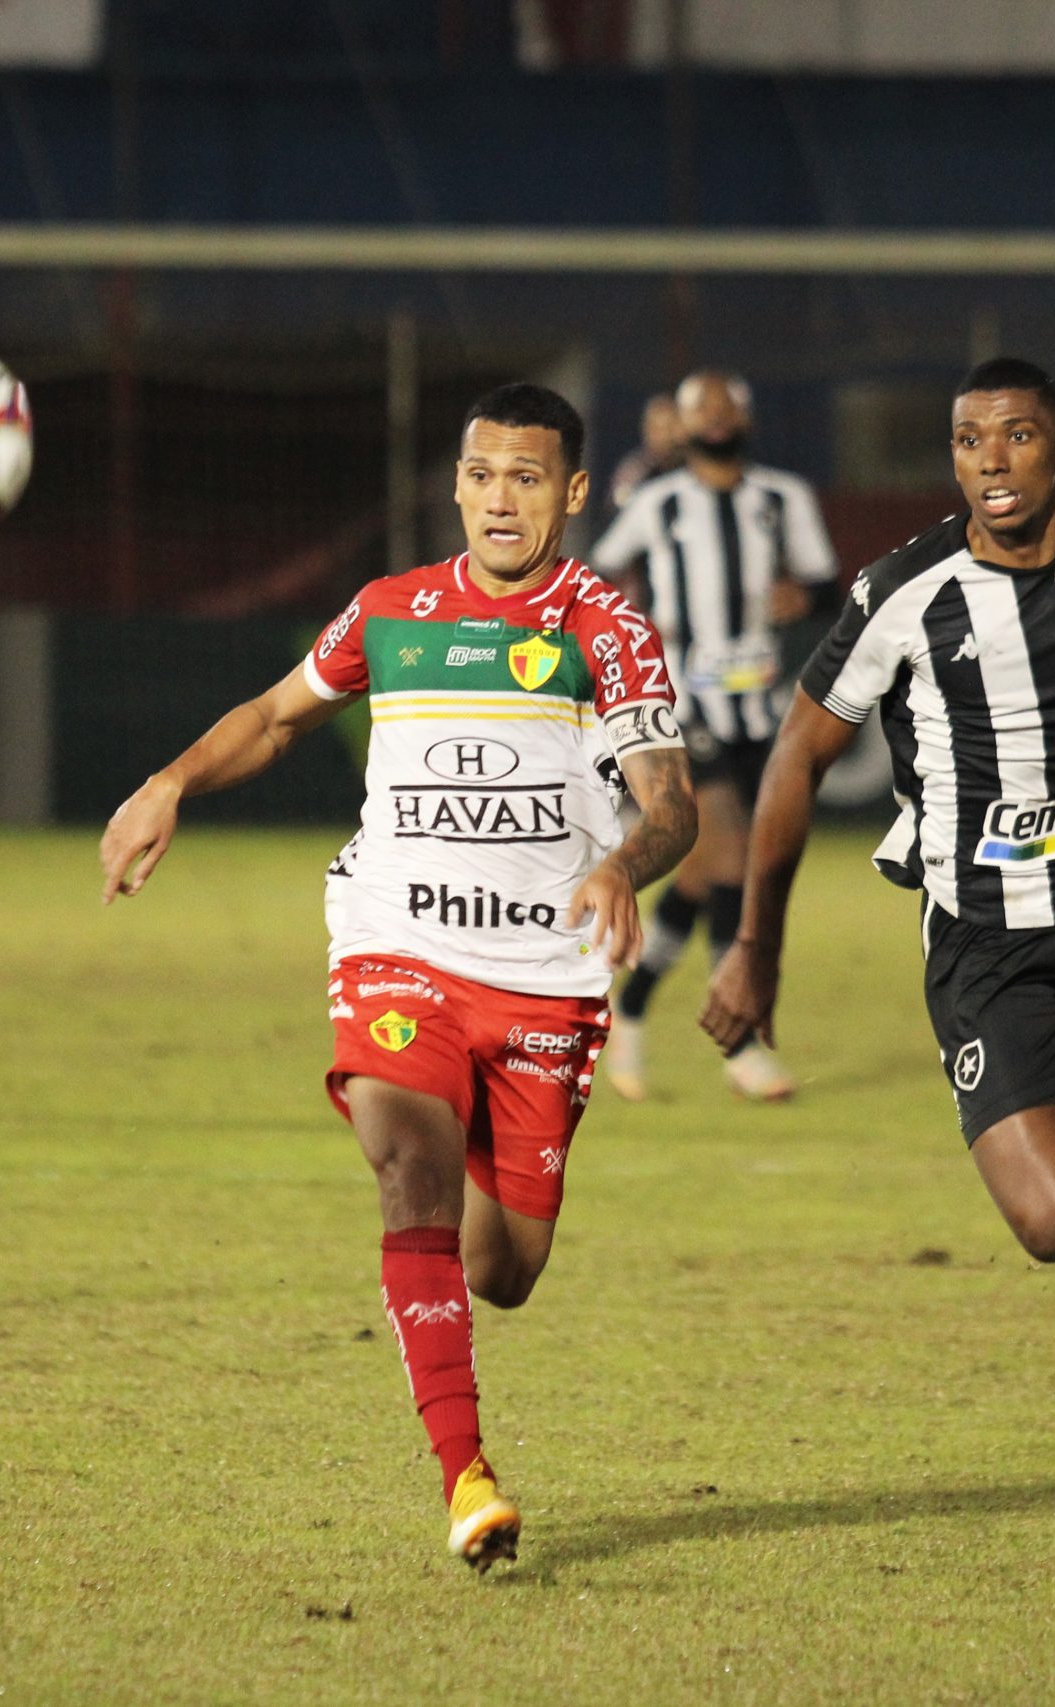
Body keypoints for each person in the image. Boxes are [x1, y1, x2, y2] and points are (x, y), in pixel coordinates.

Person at [100, 383, 694, 1569]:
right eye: (481, 475)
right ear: (457, 485)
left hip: (543, 979)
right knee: (406, 1169)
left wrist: (626, 863)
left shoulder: (603, 628)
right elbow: (275, 718)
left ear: (572, 494)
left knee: (503, 1269)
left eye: (527, 478)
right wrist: (169, 780)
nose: (499, 499)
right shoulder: (392, 612)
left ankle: (474, 1206)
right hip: (399, 944)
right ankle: (465, 1477)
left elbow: (671, 805)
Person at [701, 357, 1055, 1529]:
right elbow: (797, 759)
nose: (990, 462)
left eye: (1016, 438)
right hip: (983, 945)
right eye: (969, 442)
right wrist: (756, 947)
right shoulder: (906, 592)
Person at [590, 369, 837, 1102]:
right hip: (680, 707)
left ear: (747, 417)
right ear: (683, 422)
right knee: (732, 853)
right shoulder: (657, 502)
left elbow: (827, 582)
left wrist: (803, 596)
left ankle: (627, 1015)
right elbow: (598, 582)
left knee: (700, 877)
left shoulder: (782, 498)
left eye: (730, 404)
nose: (719, 417)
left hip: (758, 710)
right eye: (704, 407)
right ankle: (741, 1044)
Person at [608, 391, 683, 507]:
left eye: (671, 427)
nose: (667, 436)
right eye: (659, 429)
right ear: (647, 430)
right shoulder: (634, 472)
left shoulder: (693, 467)